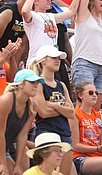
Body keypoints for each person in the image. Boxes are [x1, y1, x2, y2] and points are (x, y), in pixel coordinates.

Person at [0, 69, 43, 175]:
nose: (36, 85)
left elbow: (22, 136)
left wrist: (17, 166)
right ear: (21, 84)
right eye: (32, 82)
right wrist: (3, 164)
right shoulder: (6, 100)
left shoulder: (33, 106)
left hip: (3, 149)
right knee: (2, 173)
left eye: (37, 83)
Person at [29, 45, 75, 175]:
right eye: (54, 57)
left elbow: (72, 113)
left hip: (65, 133)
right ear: (43, 61)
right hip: (47, 133)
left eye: (58, 58)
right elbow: (43, 112)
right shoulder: (39, 84)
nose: (58, 60)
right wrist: (62, 108)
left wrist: (53, 105)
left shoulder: (62, 85)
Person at [22, 0, 85, 66]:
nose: (49, 0)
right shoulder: (33, 16)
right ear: (35, 1)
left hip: (51, 60)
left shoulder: (51, 16)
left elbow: (71, 11)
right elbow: (25, 11)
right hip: (37, 61)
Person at [0, 0, 30, 65]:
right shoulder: (9, 11)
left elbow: (23, 44)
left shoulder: (30, 15)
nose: (35, 0)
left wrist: (13, 67)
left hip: (11, 54)